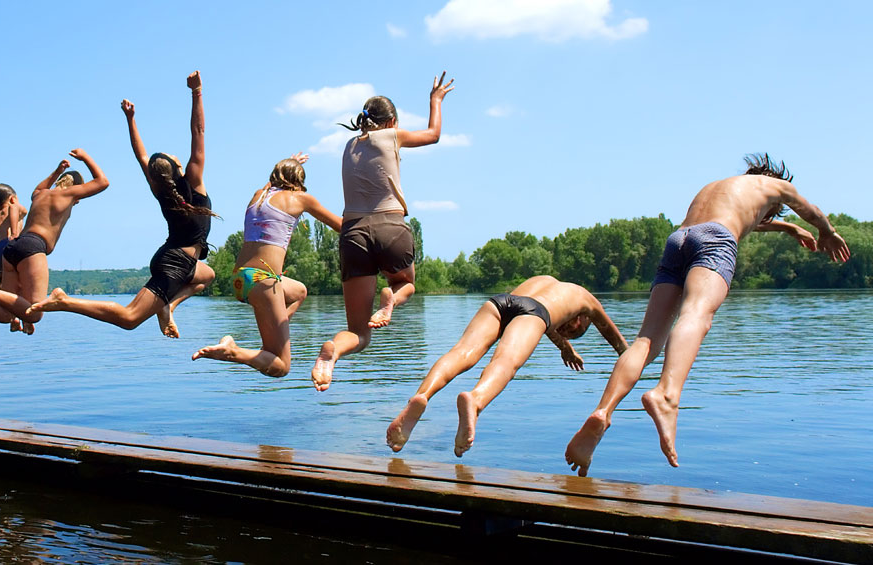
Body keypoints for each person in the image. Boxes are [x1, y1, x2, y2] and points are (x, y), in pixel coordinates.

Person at [565, 154, 851, 476]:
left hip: (680, 239)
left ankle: (603, 412)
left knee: (646, 339)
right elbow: (808, 208)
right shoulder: (777, 185)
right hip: (714, 241)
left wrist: (788, 229)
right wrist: (826, 231)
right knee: (696, 314)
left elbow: (750, 219)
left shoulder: (718, 188)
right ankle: (666, 395)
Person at [29, 71, 215, 337]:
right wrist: (197, 91)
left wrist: (131, 120)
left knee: (207, 276)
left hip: (174, 258)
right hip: (175, 264)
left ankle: (167, 307)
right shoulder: (195, 181)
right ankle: (64, 301)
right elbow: (198, 132)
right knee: (129, 319)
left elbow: (140, 154)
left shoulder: (159, 190)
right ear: (177, 168)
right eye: (174, 157)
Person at [311, 73, 454, 392]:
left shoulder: (349, 146)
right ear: (391, 121)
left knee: (359, 334)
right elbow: (433, 135)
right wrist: (436, 100)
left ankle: (332, 351)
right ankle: (391, 297)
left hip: (353, 233)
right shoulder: (392, 135)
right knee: (406, 284)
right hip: (390, 225)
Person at [386, 276, 627, 457]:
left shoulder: (546, 281)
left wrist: (564, 347)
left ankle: (421, 396)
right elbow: (618, 342)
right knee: (505, 362)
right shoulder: (588, 301)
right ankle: (476, 400)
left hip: (500, 303)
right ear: (580, 319)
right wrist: (633, 358)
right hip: (534, 312)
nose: (568, 331)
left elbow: (547, 322)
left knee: (461, 352)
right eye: (574, 331)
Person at [192, 153, 343, 376]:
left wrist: (289, 164)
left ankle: (271, 341)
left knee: (299, 291)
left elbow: (271, 185)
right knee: (281, 367)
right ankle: (232, 351)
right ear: (299, 182)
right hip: (263, 280)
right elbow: (341, 226)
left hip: (240, 279)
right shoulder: (301, 198)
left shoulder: (258, 195)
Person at [0, 149, 109, 333]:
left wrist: (57, 170)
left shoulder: (40, 195)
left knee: (7, 313)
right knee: (35, 312)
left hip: (11, 250)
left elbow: (38, 189)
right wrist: (85, 157)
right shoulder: (67, 195)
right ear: (77, 188)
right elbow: (103, 182)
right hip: (33, 247)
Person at [0, 183, 27, 289]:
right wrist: (14, 233)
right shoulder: (13, 206)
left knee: (0, 277)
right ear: (13, 198)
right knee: (20, 277)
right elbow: (14, 208)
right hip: (4, 247)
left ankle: (0, 298)